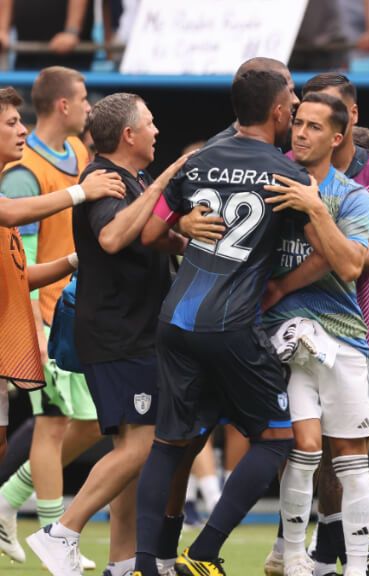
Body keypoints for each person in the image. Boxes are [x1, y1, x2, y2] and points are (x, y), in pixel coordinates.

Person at [130, 68, 307, 576]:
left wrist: (182, 224)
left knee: (170, 443)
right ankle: (204, 552)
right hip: (231, 324)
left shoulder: (198, 160)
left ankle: (148, 563)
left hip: (177, 319)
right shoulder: (286, 173)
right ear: (277, 111)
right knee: (277, 438)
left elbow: (148, 232)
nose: (295, 104)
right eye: (291, 96)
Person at [25, 93, 189, 576]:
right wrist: (168, 177)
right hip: (119, 335)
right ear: (128, 135)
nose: (158, 131)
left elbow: (147, 236)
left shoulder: (132, 179)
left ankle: (123, 563)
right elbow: (113, 238)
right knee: (143, 446)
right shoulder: (104, 178)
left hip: (136, 332)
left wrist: (184, 231)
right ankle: (61, 532)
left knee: (130, 454)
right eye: (151, 123)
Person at [259, 72, 369, 576]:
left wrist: (315, 209)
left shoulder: (354, 197)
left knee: (352, 458)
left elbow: (348, 265)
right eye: (297, 122)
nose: (300, 133)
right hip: (286, 336)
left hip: (345, 337)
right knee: (303, 448)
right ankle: (293, 558)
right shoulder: (270, 180)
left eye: (314, 127)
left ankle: (356, 568)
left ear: (337, 138)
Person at [0, 66, 111, 570]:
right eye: (8, 124)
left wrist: (73, 264)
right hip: (36, 319)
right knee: (50, 424)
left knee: (85, 423)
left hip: (67, 313)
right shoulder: (22, 174)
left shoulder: (82, 155)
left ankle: (8, 501)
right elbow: (14, 239)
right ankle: (53, 532)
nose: (19, 130)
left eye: (19, 122)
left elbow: (31, 260)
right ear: (64, 105)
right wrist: (37, 327)